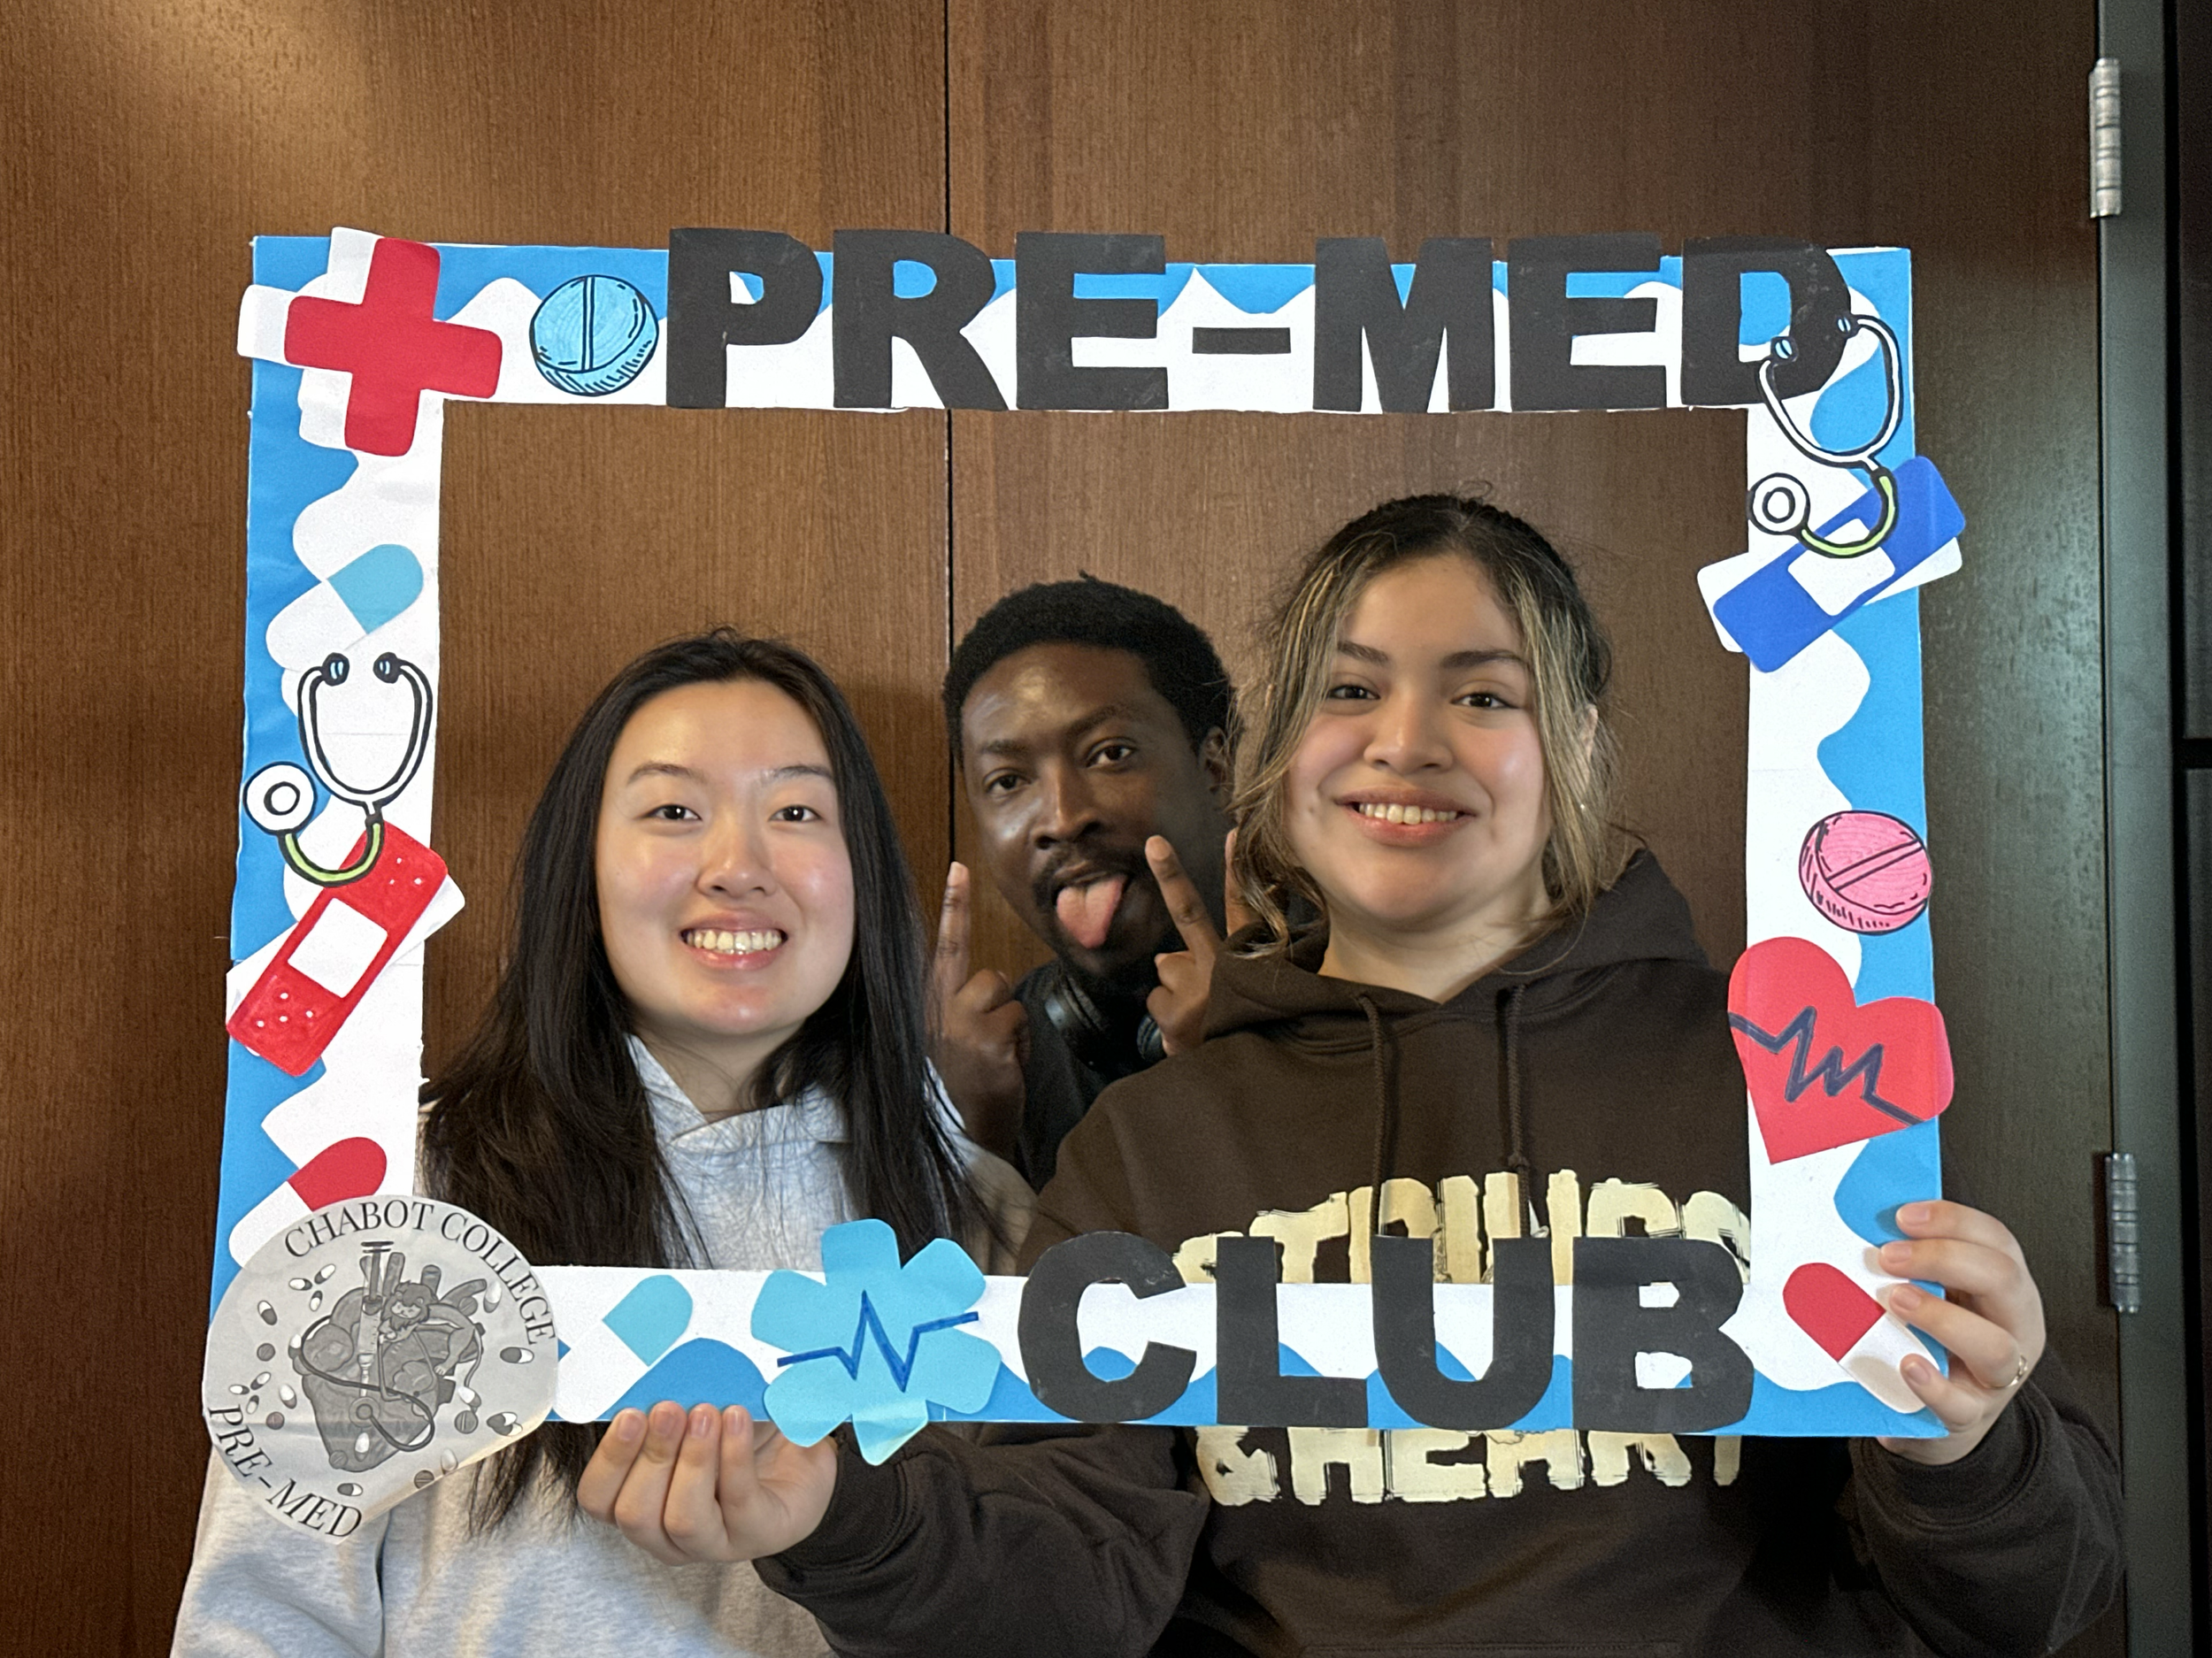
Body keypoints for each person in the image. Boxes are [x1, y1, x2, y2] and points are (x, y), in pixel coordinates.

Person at [578, 503, 2123, 1656]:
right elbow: (1071, 1584)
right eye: (1352, 689)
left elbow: (2035, 1601)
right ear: (1278, 751)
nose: (1408, 742)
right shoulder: (1150, 1150)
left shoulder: (1794, 1088)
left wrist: (1964, 1442)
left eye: (1484, 693)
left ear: (1576, 742)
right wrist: (834, 1519)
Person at [173, 630, 1029, 1658]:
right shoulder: (394, 1201)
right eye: (673, 812)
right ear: (581, 868)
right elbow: (260, 1619)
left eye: (797, 812)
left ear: (863, 874)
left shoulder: (986, 1218)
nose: (738, 867)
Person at [930, 577, 1241, 1188]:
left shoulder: (1349, 1005)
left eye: (1109, 754)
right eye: (1008, 781)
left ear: (1214, 766)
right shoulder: (985, 1075)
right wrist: (975, 1143)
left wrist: (1254, 1082)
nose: (1063, 817)